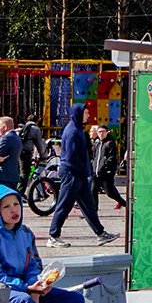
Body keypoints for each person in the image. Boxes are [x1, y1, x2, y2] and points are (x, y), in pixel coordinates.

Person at [46, 106, 115, 247]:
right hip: (72, 173)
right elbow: (71, 157)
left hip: (79, 174)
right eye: (86, 112)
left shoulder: (77, 129)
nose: (88, 114)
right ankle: (53, 236)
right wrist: (82, 170)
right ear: (78, 114)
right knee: (64, 205)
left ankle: (101, 234)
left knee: (88, 205)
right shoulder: (73, 132)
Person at [90, 125, 126, 210]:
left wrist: (106, 167)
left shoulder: (110, 143)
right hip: (96, 172)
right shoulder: (97, 143)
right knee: (93, 191)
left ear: (107, 132)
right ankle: (94, 210)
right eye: (99, 132)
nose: (101, 134)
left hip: (106, 173)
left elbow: (112, 157)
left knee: (110, 192)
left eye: (103, 132)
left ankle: (125, 203)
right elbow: (94, 156)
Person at [0, 116, 19, 191]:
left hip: (4, 175)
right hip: (13, 175)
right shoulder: (17, 138)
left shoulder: (5, 138)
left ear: (5, 127)